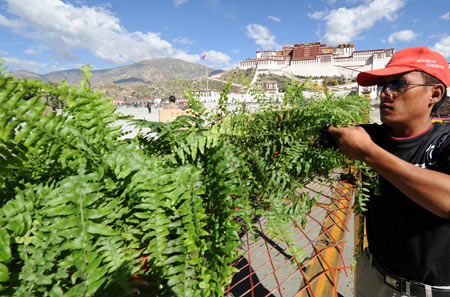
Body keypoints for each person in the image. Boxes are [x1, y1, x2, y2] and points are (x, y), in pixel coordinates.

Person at [327, 46, 450, 296]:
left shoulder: (444, 142)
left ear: (434, 94)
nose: (386, 94)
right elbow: (322, 132)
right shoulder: (374, 136)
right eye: (384, 86)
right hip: (372, 275)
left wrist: (370, 154)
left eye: (398, 84)